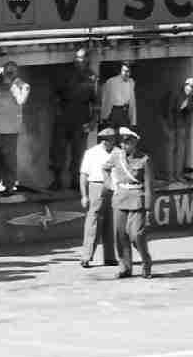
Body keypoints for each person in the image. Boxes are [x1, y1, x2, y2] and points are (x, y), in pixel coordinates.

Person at [107, 128, 153, 279]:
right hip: (120, 198)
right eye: (123, 142)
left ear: (135, 143)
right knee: (120, 235)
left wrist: (148, 207)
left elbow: (148, 185)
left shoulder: (144, 159)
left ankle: (146, 261)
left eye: (128, 142)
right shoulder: (116, 156)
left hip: (137, 199)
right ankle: (125, 267)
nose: (125, 145)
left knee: (136, 235)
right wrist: (110, 184)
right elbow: (105, 169)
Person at [51, 48, 98, 190]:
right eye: (77, 58)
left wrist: (93, 120)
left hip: (82, 118)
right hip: (64, 116)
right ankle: (57, 180)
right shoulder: (66, 73)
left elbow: (96, 102)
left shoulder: (92, 77)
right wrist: (58, 112)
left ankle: (76, 182)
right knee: (58, 150)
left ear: (87, 60)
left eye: (82, 58)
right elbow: (55, 95)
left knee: (78, 152)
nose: (79, 61)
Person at [79, 128, 119, 269]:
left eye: (111, 139)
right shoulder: (91, 153)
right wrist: (84, 196)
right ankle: (86, 256)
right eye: (106, 139)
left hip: (114, 189)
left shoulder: (118, 152)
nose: (108, 141)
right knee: (93, 222)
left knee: (111, 223)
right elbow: (84, 175)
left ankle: (110, 257)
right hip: (96, 186)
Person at [0, 63, 30, 195]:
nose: (8, 74)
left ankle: (10, 185)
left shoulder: (23, 86)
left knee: (9, 159)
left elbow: (21, 100)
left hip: (10, 129)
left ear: (16, 73)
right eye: (6, 72)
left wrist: (12, 85)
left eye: (11, 72)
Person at [160, 78, 193, 181]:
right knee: (171, 149)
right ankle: (170, 176)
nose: (191, 89)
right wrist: (169, 127)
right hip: (171, 125)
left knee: (181, 150)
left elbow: (189, 111)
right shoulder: (176, 94)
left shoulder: (190, 97)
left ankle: (178, 175)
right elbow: (169, 111)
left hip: (181, 126)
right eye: (190, 86)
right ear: (185, 85)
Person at [101, 62, 137, 130]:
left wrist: (133, 121)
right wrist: (104, 117)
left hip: (125, 113)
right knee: (110, 136)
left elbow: (132, 102)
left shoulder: (131, 82)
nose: (127, 74)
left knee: (125, 136)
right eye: (125, 71)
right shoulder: (111, 81)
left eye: (129, 71)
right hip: (113, 113)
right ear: (120, 71)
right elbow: (106, 99)